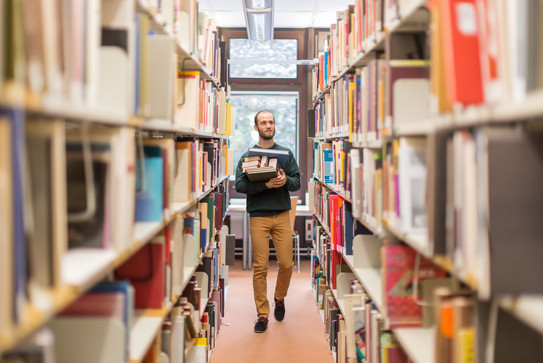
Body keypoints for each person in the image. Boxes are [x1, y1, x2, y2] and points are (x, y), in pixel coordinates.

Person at [235, 110, 300, 333]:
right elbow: (240, 186)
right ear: (256, 128)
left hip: (282, 215)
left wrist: (284, 181)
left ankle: (279, 298)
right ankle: (262, 315)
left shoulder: (286, 153)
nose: (268, 125)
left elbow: (297, 181)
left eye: (271, 122)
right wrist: (265, 185)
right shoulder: (247, 157)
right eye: (263, 122)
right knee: (260, 267)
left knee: (286, 264)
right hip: (258, 217)